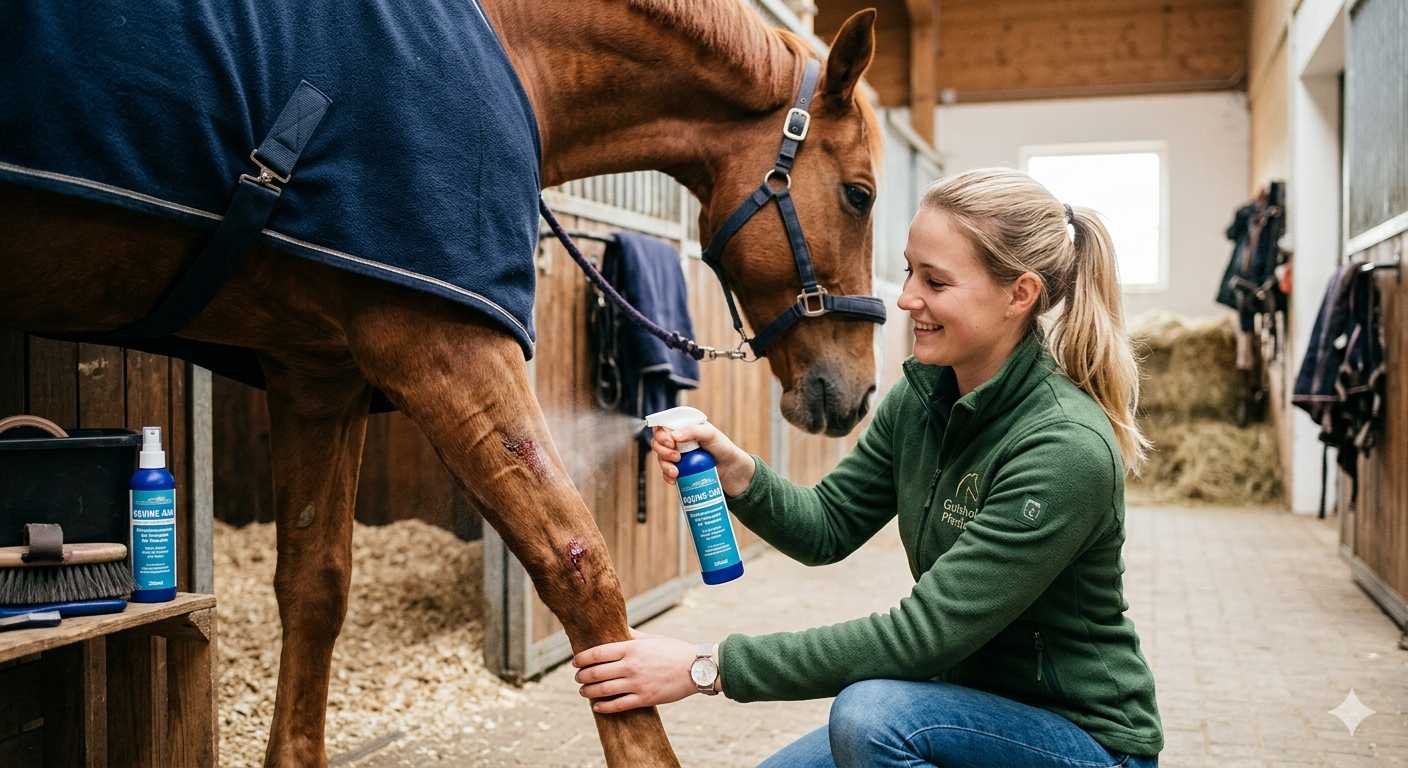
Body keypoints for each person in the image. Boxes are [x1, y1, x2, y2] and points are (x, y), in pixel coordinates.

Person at [571, 168, 1163, 767]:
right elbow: (827, 526)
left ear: (1020, 294)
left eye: (935, 281)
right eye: (909, 270)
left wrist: (707, 667)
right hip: (957, 707)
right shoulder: (925, 396)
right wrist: (737, 470)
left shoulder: (1064, 448)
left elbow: (920, 638)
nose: (906, 298)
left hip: (1082, 743)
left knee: (871, 719)